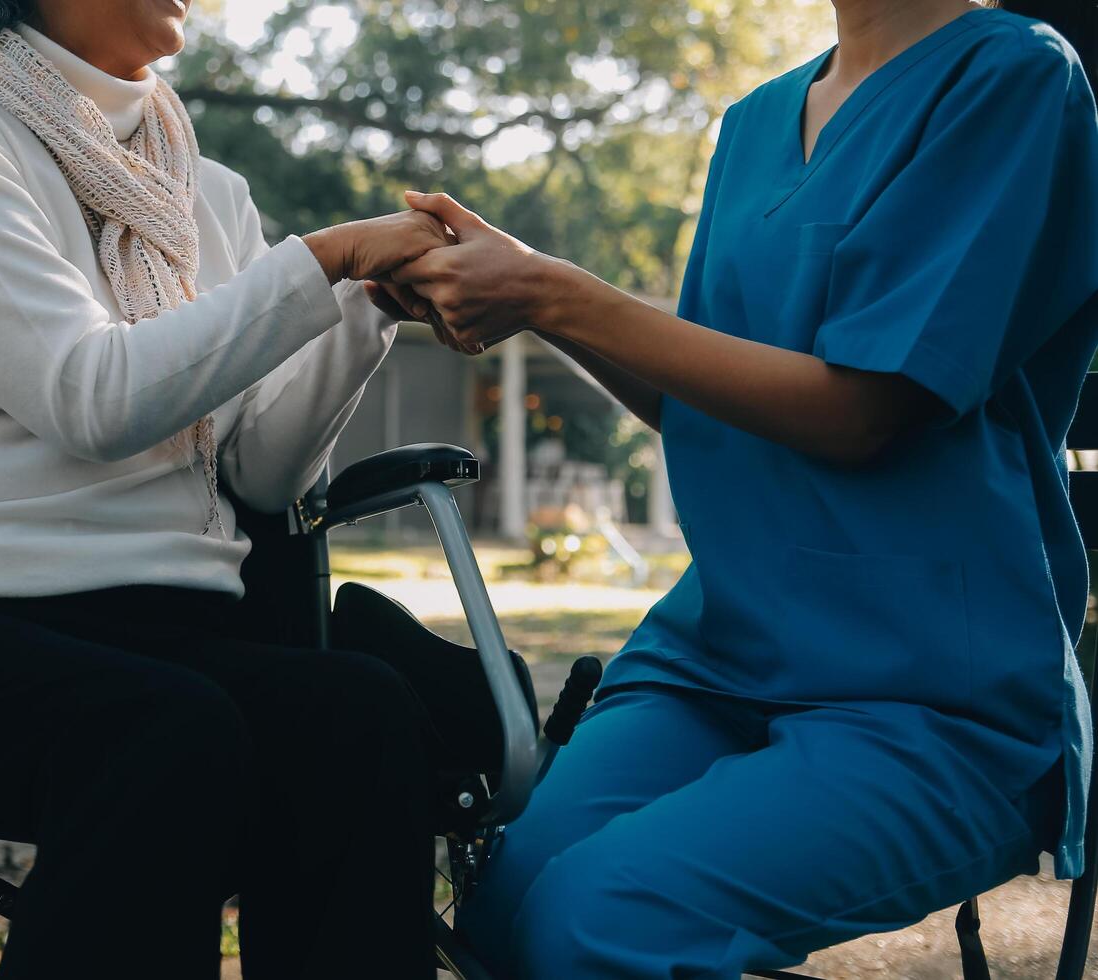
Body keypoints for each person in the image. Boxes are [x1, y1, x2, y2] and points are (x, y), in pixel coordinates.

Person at [390, 0, 1098, 976]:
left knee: (596, 922)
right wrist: (533, 295)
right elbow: (703, 396)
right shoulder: (756, 121)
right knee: (503, 912)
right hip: (720, 654)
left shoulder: (1014, 79)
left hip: (929, 690)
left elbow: (862, 411)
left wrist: (555, 289)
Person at [0, 0, 453, 977]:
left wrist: (364, 307)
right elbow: (90, 397)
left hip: (166, 629)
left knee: (357, 710)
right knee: (166, 729)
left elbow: (263, 474)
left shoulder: (210, 192)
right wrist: (323, 260)